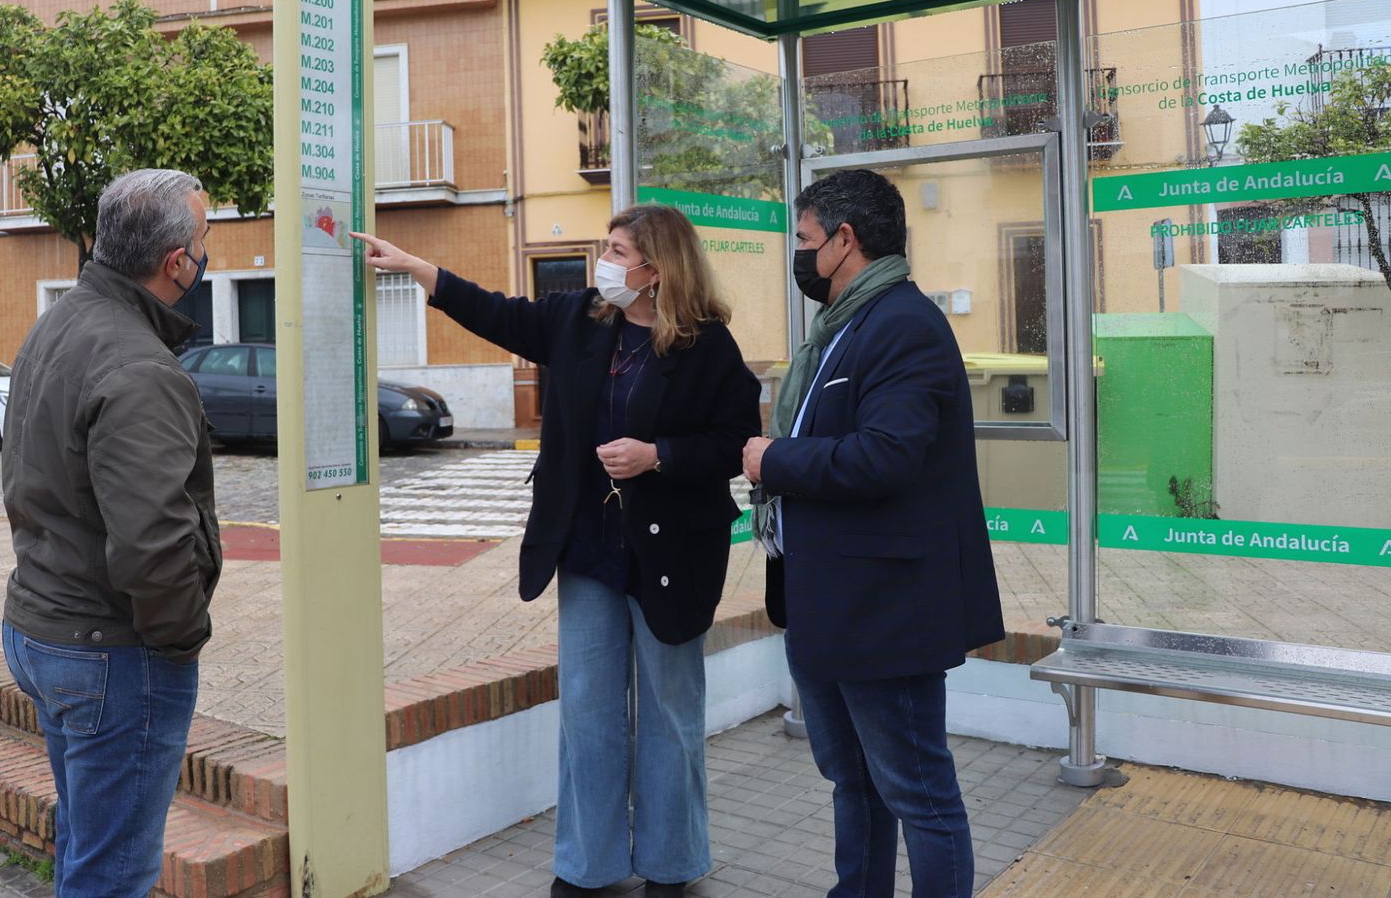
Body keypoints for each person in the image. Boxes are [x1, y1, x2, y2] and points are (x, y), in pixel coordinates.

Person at [353, 205, 760, 898]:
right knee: (588, 712)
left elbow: (737, 443)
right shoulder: (581, 318)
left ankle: (672, 864)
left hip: (672, 552)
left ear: (655, 270)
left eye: (616, 249)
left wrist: (658, 455)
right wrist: (423, 271)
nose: (603, 260)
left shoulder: (707, 347)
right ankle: (588, 865)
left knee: (668, 712)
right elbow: (497, 313)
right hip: (589, 546)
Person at [742, 168, 1004, 898]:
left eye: (803, 239)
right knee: (852, 781)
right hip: (827, 603)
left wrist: (773, 458)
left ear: (843, 240)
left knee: (919, 792)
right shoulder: (844, 326)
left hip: (886, 611)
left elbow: (886, 456)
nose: (798, 255)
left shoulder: (902, 325)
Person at [0, 169, 222, 898]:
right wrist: (182, 641)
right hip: (112, 652)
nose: (205, 254)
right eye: (204, 240)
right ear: (174, 263)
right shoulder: (139, 366)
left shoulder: (59, 321)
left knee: (87, 849)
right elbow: (152, 544)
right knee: (114, 873)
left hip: (45, 628)